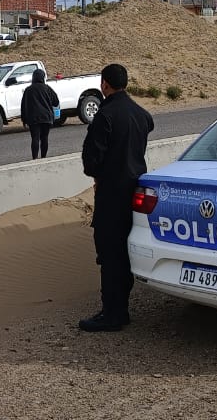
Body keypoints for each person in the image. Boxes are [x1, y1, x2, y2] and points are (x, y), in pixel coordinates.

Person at [79, 63, 154, 332]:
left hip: (111, 194)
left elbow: (91, 161)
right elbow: (149, 125)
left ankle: (113, 313)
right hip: (136, 192)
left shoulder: (105, 115)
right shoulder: (140, 114)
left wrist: (98, 174)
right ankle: (120, 308)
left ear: (105, 84)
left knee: (110, 255)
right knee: (125, 251)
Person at [20, 68, 60, 160]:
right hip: (46, 117)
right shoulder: (48, 88)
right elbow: (56, 102)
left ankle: (35, 158)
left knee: (35, 138)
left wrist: (24, 119)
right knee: (44, 138)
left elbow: (23, 106)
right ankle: (43, 157)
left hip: (33, 118)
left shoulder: (28, 90)